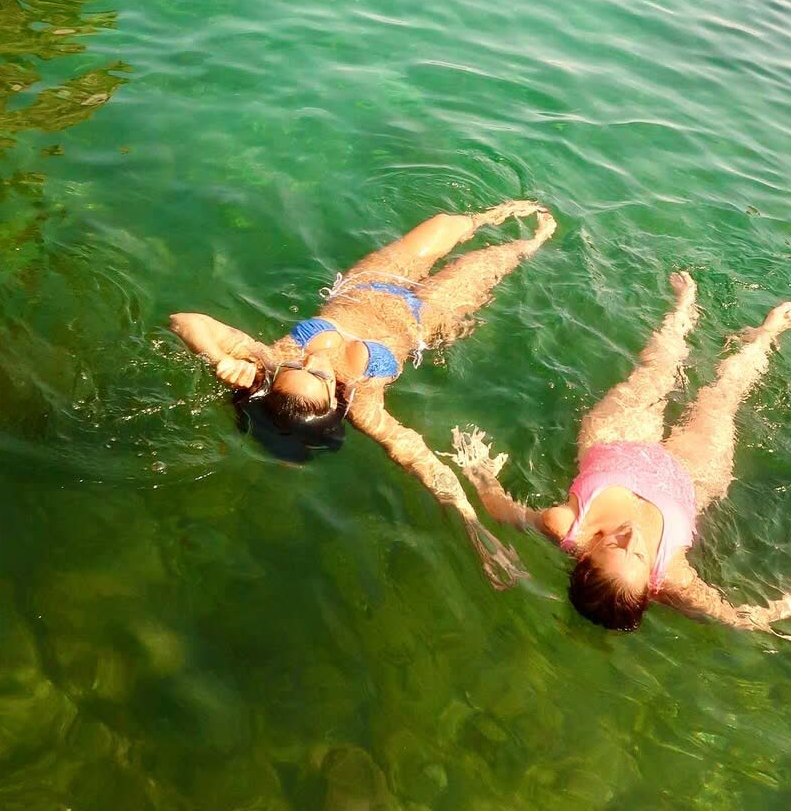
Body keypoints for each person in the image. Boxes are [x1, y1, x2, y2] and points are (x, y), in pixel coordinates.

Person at [170, 201, 556, 587]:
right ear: (333, 401)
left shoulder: (270, 362)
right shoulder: (364, 404)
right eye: (317, 376)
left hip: (369, 282)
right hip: (426, 316)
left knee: (444, 224)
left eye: (297, 367)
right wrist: (474, 526)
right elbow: (422, 461)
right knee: (493, 259)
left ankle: (489, 216)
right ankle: (536, 241)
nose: (311, 361)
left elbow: (184, 321)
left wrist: (221, 358)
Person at [451, 272, 791, 631]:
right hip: (689, 474)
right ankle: (766, 335)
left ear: (585, 557)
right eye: (638, 556)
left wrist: (477, 469)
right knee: (722, 400)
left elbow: (506, 512)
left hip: (620, 441)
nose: (631, 536)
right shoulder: (672, 575)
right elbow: (732, 617)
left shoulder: (566, 524)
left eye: (613, 545)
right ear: (651, 586)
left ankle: (684, 308)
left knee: (656, 371)